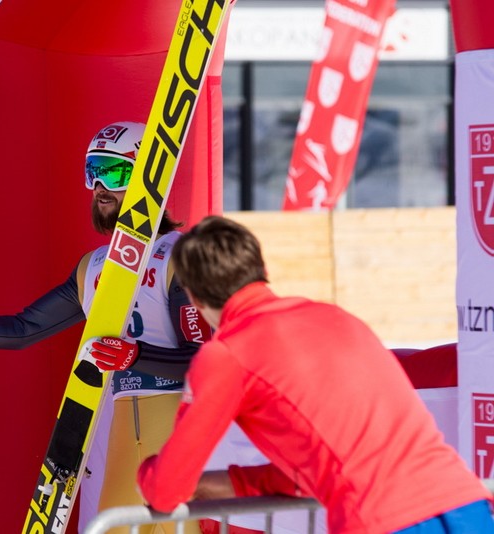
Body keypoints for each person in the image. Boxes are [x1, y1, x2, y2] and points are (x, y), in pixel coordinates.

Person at [0, 121, 208, 533]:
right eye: (93, 172)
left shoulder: (181, 255)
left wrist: (136, 355)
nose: (99, 187)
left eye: (113, 172)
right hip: (124, 431)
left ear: (150, 177)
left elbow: (205, 360)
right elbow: (24, 329)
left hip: (177, 425)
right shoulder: (93, 266)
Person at [137, 215, 494, 533]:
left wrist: (147, 474)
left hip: (382, 517)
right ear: (260, 269)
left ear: (194, 297)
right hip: (463, 502)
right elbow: (334, 459)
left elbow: (167, 489)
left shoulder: (226, 353)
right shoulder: (335, 318)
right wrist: (234, 482)